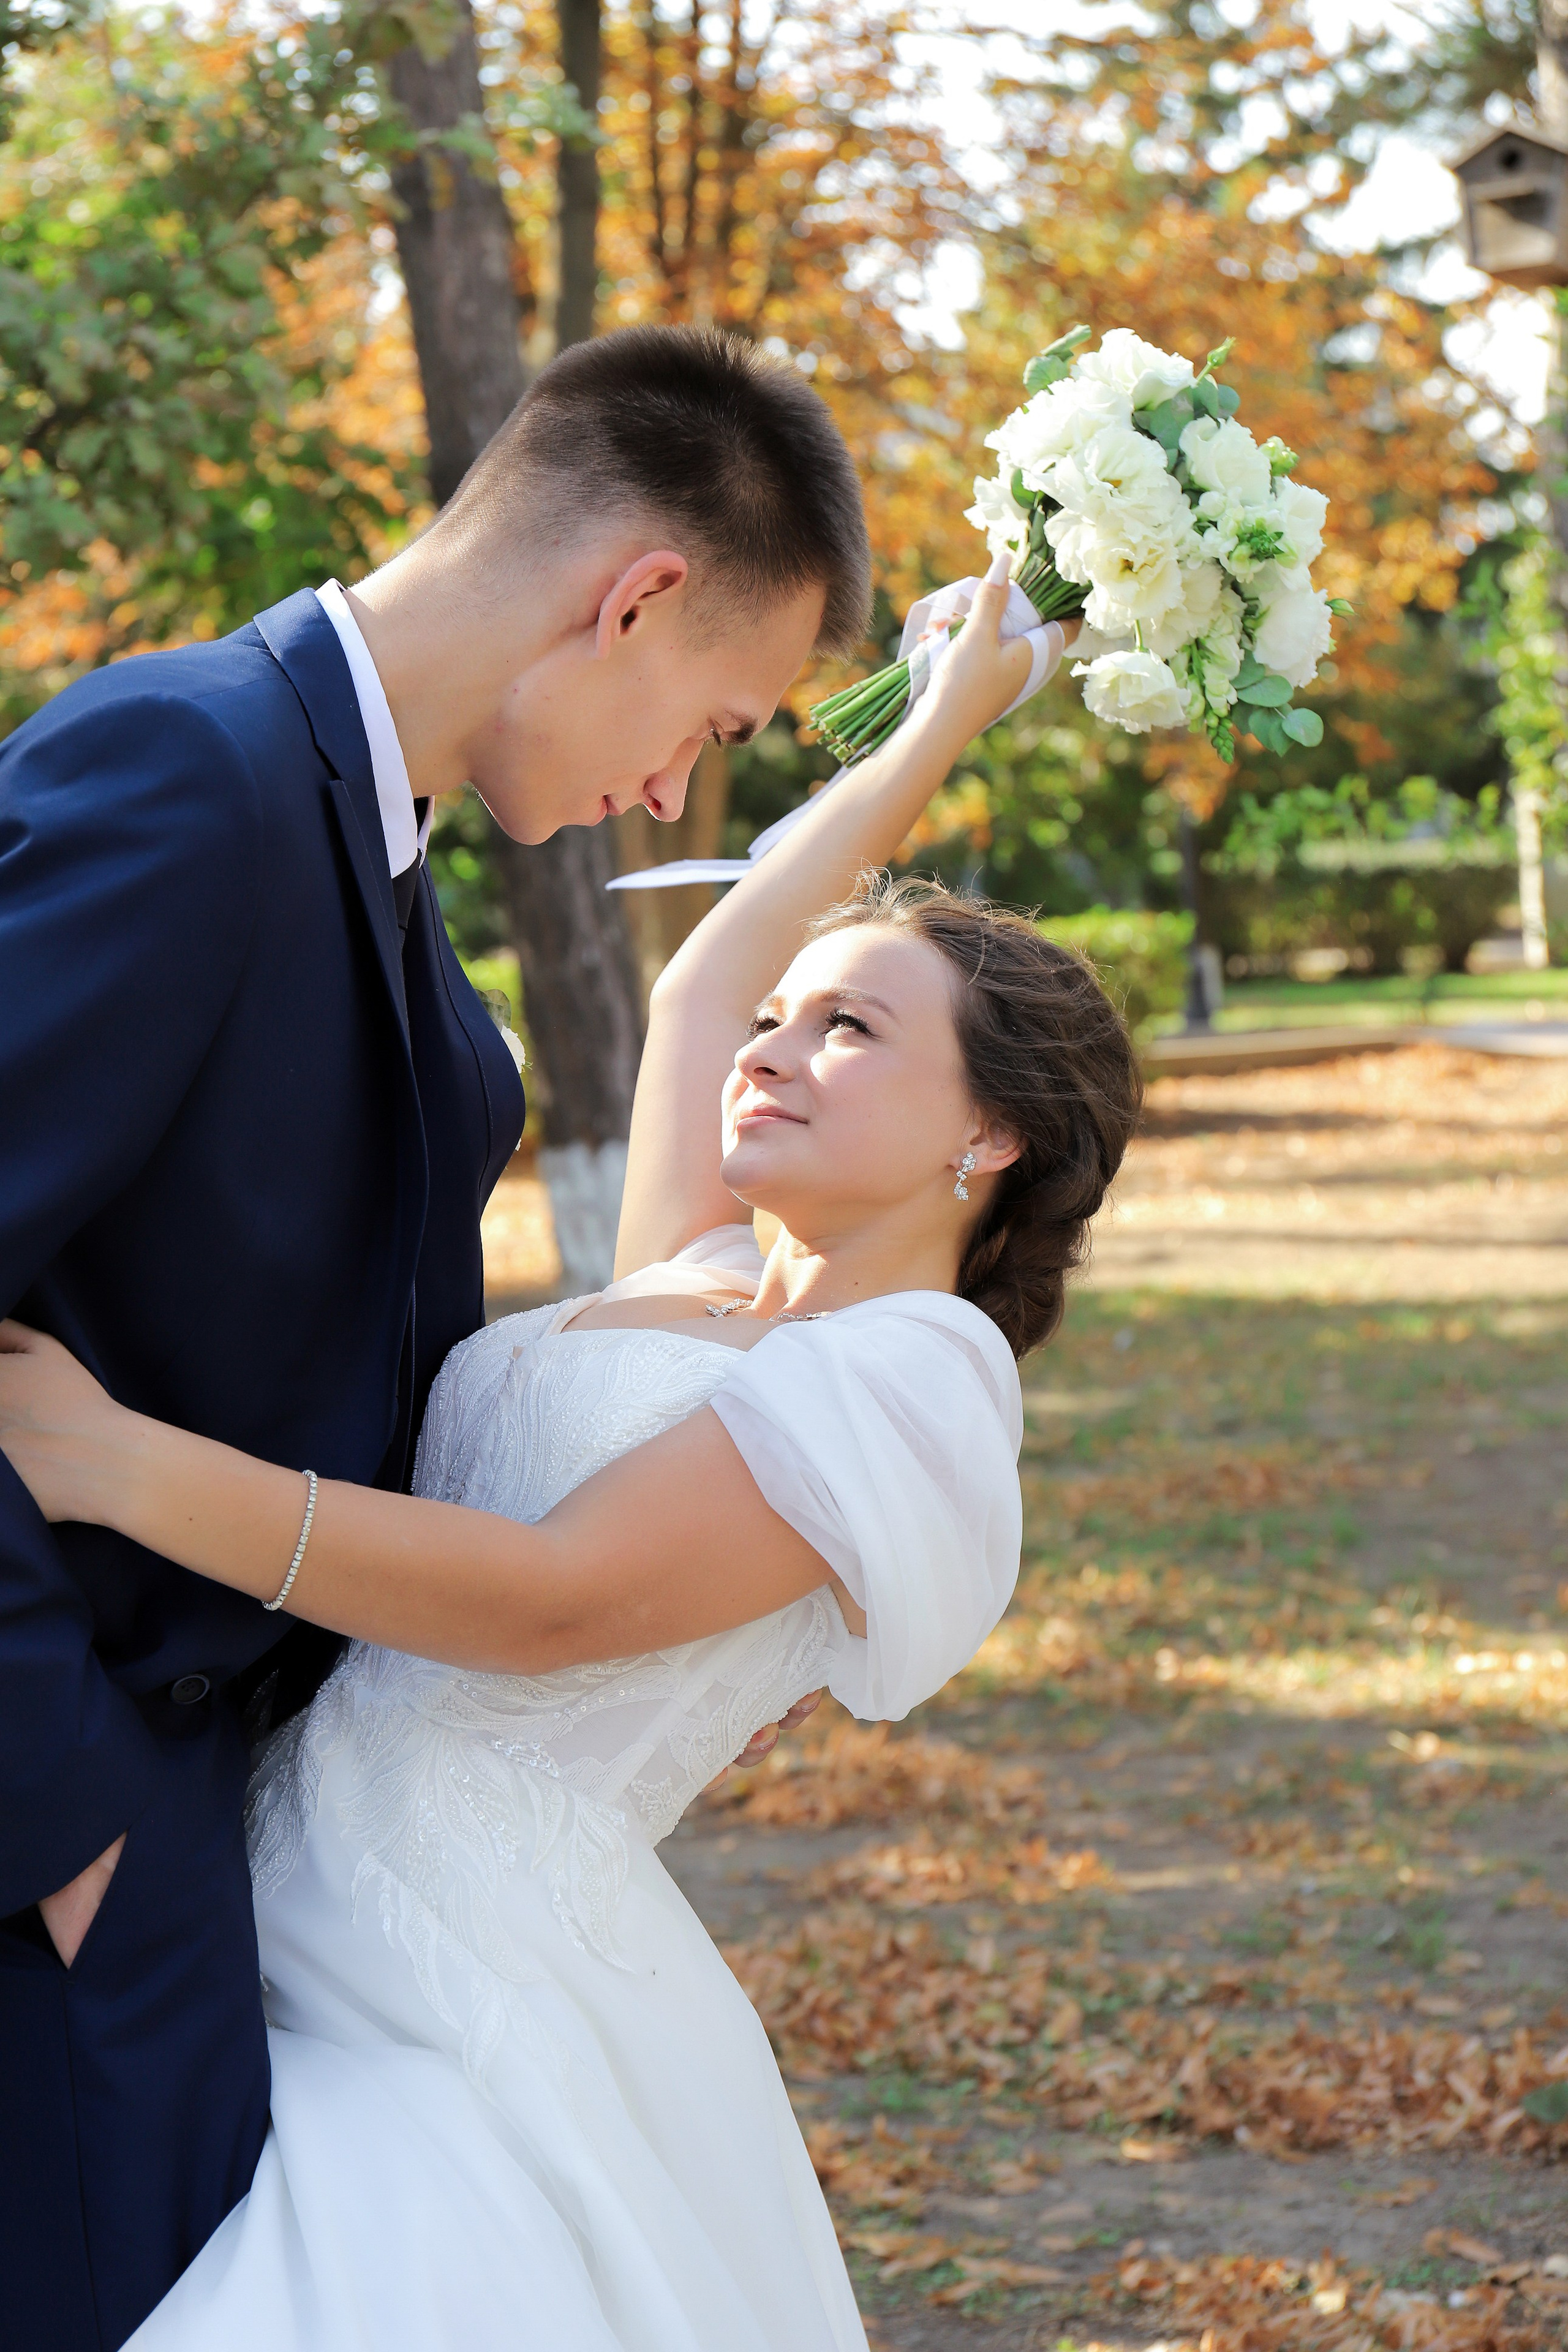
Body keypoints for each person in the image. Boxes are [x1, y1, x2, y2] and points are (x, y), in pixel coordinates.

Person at [0, 557, 1141, 2350]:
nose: (774, 1046)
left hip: (456, 1971)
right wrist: (938, 722)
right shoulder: (699, 1269)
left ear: (986, 1132)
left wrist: (120, 1465)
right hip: (265, 1874)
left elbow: (549, 1602)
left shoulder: (914, 1373)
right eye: (788, 1018)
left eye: (852, 1030)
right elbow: (715, 979)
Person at [0, 323, 872, 2352]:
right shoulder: (190, 776)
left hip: (230, 1853)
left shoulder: (364, 853)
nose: (678, 788)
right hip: (76, 1861)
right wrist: (74, 1839)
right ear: (635, 595)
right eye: (715, 721)